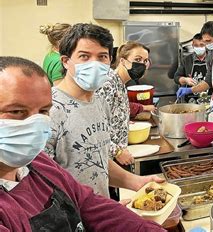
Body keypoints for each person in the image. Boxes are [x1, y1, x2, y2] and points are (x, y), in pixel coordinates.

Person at [0, 56, 165, 231]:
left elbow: (88, 203)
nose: (35, 123)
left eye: (43, 111)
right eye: (16, 111)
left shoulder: (39, 164)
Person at [45, 23, 161, 198]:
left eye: (102, 57)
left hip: (100, 213)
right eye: (84, 56)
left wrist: (135, 182)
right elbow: (40, 185)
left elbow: (97, 158)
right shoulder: (49, 111)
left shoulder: (99, 102)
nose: (94, 64)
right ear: (66, 61)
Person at [95, 41, 153, 166]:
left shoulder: (120, 83)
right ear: (122, 61)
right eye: (137, 59)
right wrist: (117, 152)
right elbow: (94, 128)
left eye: (145, 61)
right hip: (106, 158)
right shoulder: (108, 83)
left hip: (113, 156)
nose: (141, 64)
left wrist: (123, 121)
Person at [174, 33, 210, 102]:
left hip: (209, 98)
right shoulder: (187, 60)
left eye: (202, 45)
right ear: (193, 45)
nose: (199, 48)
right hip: (191, 99)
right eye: (196, 45)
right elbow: (176, 77)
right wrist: (185, 79)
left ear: (206, 45)